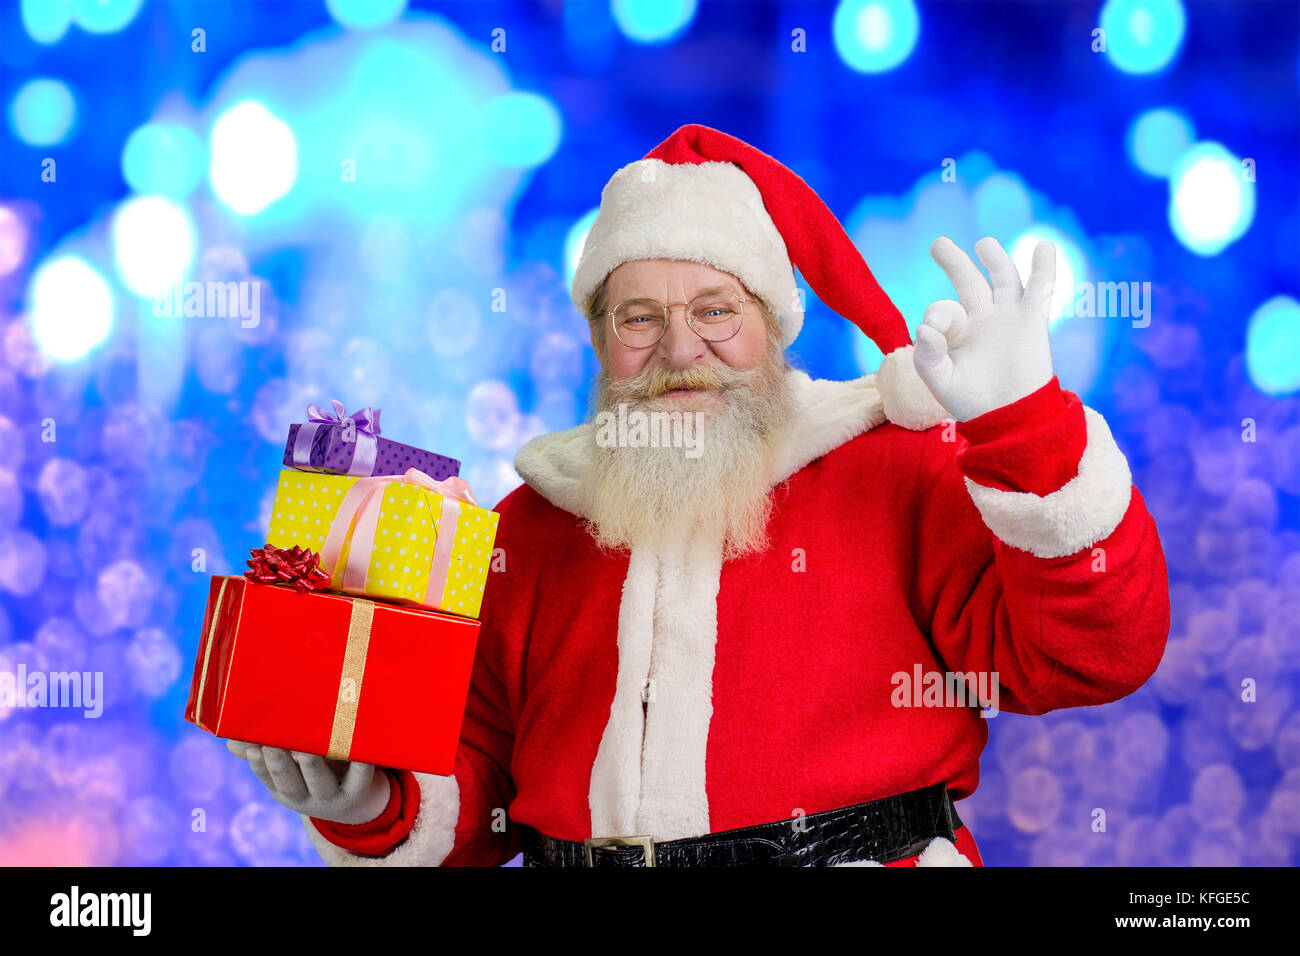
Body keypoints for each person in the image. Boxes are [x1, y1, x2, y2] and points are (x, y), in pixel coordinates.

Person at [228, 124, 1171, 867]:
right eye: (640, 318)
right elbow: (479, 785)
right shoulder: (531, 527)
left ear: (774, 325)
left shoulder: (898, 471)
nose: (681, 349)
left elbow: (1092, 656)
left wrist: (1028, 427)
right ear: (600, 342)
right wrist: (368, 800)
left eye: (716, 311)